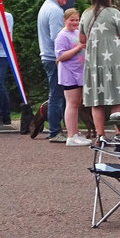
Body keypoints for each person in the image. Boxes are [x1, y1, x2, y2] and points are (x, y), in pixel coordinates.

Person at [80, 0, 120, 141]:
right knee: (116, 97)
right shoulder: (114, 12)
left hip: (94, 61)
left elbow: (82, 39)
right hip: (114, 60)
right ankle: (119, 133)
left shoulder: (85, 14)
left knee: (97, 100)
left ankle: (101, 134)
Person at [37, 0, 71, 143]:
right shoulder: (55, 11)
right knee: (57, 96)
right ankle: (55, 131)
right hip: (55, 58)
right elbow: (57, 37)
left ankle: (62, 129)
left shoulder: (45, 7)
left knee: (58, 95)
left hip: (47, 56)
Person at [54, 9, 90, 146]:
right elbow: (60, 56)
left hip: (80, 72)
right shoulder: (62, 36)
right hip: (69, 74)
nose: (75, 23)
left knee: (77, 103)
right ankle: (71, 135)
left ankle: (75, 132)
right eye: (72, 20)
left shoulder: (77, 33)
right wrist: (78, 47)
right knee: (72, 103)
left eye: (77, 20)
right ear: (65, 20)